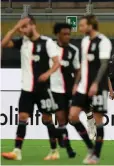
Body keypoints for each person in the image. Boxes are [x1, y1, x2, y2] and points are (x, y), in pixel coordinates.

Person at [1, 15, 60, 160]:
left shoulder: (47, 42)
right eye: (21, 28)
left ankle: (54, 151)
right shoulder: (23, 42)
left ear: (32, 25)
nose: (22, 30)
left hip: (42, 89)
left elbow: (57, 62)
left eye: (24, 26)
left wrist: (48, 73)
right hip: (27, 89)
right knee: (22, 117)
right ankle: (17, 151)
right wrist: (15, 28)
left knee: (47, 119)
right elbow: (3, 44)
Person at [69, 15, 112, 164]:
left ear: (90, 26)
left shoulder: (103, 41)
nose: (79, 28)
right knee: (73, 116)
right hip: (82, 87)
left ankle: (96, 155)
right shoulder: (85, 41)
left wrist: (95, 83)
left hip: (98, 87)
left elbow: (104, 64)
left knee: (98, 120)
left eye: (82, 25)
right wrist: (76, 83)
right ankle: (89, 146)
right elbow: (83, 64)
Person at [44, 23, 80, 160]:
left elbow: (77, 70)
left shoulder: (72, 50)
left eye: (69, 34)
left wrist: (76, 85)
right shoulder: (49, 47)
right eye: (64, 34)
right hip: (47, 88)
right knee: (46, 118)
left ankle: (65, 148)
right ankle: (57, 148)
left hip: (62, 90)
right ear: (57, 34)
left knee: (61, 120)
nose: (67, 36)